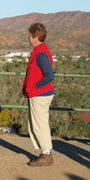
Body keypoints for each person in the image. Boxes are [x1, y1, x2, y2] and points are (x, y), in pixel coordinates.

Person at [22, 23, 55, 167]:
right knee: (39, 124)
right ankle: (45, 152)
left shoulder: (41, 53)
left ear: (35, 37)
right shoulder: (39, 51)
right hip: (38, 94)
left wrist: (35, 86)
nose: (28, 37)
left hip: (40, 95)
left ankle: (46, 154)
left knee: (39, 125)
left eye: (30, 35)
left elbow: (49, 75)